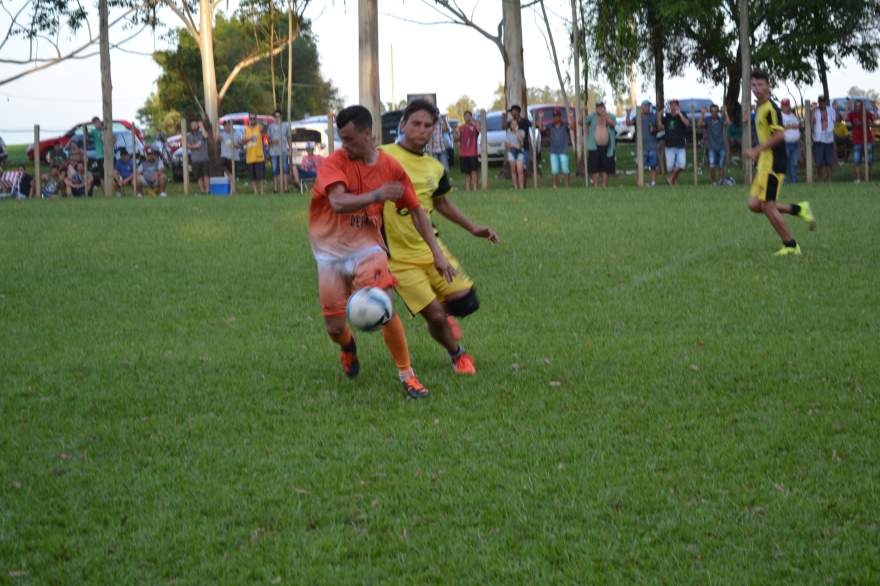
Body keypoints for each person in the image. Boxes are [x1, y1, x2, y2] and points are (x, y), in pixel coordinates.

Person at [309, 105, 454, 398]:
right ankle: (348, 346)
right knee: (335, 327)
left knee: (385, 305)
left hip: (368, 247)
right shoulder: (333, 163)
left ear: (368, 134)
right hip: (330, 254)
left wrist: (437, 253)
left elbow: (416, 211)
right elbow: (337, 202)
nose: (344, 146)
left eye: (349, 139)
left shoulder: (391, 168)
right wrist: (377, 195)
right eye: (341, 139)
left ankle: (407, 374)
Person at [380, 99, 499, 376]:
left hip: (430, 246)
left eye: (427, 126)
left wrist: (473, 228)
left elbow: (442, 204)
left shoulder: (435, 168)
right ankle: (457, 354)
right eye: (416, 124)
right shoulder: (382, 156)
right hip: (396, 257)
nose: (421, 130)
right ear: (403, 125)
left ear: (434, 130)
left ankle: (440, 318)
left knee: (467, 301)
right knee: (434, 314)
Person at [744, 70, 816, 256]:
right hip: (764, 164)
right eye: (754, 85)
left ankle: (791, 245)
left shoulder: (771, 109)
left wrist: (757, 150)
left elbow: (780, 135)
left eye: (761, 85)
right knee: (753, 204)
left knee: (767, 205)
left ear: (768, 86)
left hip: (774, 163)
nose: (757, 89)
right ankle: (799, 209)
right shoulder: (759, 108)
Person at [538, 108, 573, 188]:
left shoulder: (565, 125)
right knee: (554, 170)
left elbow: (571, 127)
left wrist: (571, 117)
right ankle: (554, 186)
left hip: (563, 150)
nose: (556, 118)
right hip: (553, 150)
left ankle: (567, 185)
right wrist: (541, 118)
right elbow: (541, 129)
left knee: (565, 169)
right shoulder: (550, 125)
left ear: (560, 117)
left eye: (557, 116)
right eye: (554, 116)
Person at [658, 99, 690, 185]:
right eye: (671, 105)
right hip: (669, 145)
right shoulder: (667, 116)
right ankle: (673, 180)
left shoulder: (683, 114)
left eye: (675, 105)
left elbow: (687, 124)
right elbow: (660, 126)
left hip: (680, 144)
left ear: (678, 106)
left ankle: (670, 178)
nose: (673, 107)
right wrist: (659, 115)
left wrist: (679, 114)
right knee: (670, 167)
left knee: (682, 165)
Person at [585, 102, 616, 188]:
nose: (599, 109)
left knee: (605, 167)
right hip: (594, 146)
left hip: (607, 146)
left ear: (604, 107)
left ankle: (604, 185)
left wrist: (605, 116)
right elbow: (582, 122)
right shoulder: (592, 116)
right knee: (595, 167)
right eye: (597, 107)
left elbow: (612, 125)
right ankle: (595, 186)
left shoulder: (610, 116)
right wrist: (582, 112)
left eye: (601, 107)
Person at [699, 104, 729, 184]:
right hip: (711, 147)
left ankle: (720, 181)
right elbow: (699, 125)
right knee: (712, 165)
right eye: (712, 111)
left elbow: (728, 123)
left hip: (721, 146)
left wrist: (725, 112)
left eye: (715, 111)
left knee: (721, 165)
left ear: (718, 112)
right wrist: (702, 114)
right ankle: (713, 182)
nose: (714, 113)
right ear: (710, 112)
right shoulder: (707, 120)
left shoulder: (721, 119)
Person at [846, 99, 875, 183]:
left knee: (869, 160)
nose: (858, 107)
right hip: (857, 141)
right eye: (856, 106)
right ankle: (858, 178)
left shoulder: (867, 114)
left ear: (862, 106)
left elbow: (875, 118)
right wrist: (847, 107)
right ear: (854, 106)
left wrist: (874, 107)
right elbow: (845, 119)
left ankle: (868, 177)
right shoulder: (852, 114)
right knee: (857, 160)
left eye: (859, 106)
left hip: (868, 140)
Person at [811, 95, 836, 182]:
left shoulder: (831, 110)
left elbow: (836, 120)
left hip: (829, 138)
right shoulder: (815, 111)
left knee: (829, 161)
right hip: (818, 138)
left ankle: (829, 179)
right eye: (820, 102)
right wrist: (813, 110)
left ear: (826, 102)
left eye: (823, 102)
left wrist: (836, 108)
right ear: (818, 102)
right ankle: (820, 178)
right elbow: (812, 122)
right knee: (819, 161)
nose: (822, 103)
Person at [455, 110, 480, 191]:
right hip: (464, 154)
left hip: (473, 153)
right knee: (467, 173)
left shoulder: (474, 126)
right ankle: (468, 189)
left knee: (474, 172)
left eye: (469, 116)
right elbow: (457, 139)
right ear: (463, 117)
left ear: (471, 116)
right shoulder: (461, 127)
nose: (467, 117)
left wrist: (474, 122)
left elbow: (480, 130)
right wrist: (456, 133)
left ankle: (475, 189)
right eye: (465, 116)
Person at [638, 101, 661, 186]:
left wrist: (654, 129)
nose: (646, 108)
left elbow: (660, 128)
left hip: (652, 144)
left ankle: (653, 182)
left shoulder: (653, 117)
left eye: (648, 106)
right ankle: (640, 182)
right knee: (640, 165)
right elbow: (628, 123)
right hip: (641, 146)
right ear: (642, 107)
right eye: (645, 106)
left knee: (653, 165)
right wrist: (628, 114)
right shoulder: (638, 117)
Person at [508, 105, 533, 180]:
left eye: (514, 112)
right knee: (515, 169)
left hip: (524, 148)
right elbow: (503, 127)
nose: (512, 114)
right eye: (512, 113)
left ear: (518, 112)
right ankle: (517, 186)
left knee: (523, 168)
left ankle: (523, 186)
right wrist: (504, 117)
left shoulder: (524, 121)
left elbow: (533, 125)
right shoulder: (511, 122)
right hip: (513, 149)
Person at [268, 109, 290, 193]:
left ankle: (286, 188)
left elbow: (289, 138)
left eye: (278, 116)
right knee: (275, 170)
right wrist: (273, 141)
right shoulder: (270, 127)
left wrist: (290, 149)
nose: (277, 118)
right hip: (274, 151)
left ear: (281, 117)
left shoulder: (285, 126)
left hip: (284, 150)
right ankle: (276, 188)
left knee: (285, 169)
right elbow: (268, 140)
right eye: (275, 116)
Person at [780, 98, 801, 184]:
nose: (786, 107)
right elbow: (781, 127)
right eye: (784, 105)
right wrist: (791, 126)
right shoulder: (780, 115)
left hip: (795, 143)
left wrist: (789, 126)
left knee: (794, 163)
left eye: (787, 105)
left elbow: (798, 125)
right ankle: (784, 181)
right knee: (784, 163)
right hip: (785, 143)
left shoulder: (793, 115)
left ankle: (794, 181)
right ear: (781, 106)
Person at [244, 113, 266, 195]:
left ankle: (262, 191)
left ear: (256, 120)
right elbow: (243, 141)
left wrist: (263, 124)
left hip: (259, 155)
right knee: (252, 176)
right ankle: (255, 191)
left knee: (261, 176)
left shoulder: (259, 127)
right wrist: (249, 139)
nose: (252, 120)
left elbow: (263, 130)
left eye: (254, 118)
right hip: (249, 156)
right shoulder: (245, 129)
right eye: (251, 118)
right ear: (248, 119)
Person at [187, 119, 209, 194]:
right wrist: (194, 146)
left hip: (204, 158)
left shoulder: (201, 133)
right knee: (198, 176)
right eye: (192, 125)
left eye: (195, 125)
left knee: (206, 175)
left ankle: (207, 191)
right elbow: (185, 145)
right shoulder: (188, 135)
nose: (194, 126)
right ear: (190, 126)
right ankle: (202, 191)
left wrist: (202, 126)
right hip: (195, 159)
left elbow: (206, 136)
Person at [505, 117, 526, 189]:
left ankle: (521, 187)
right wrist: (515, 146)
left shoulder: (522, 131)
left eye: (515, 124)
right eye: (512, 124)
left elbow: (521, 140)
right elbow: (508, 144)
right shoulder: (508, 133)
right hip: (512, 152)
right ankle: (515, 187)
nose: (513, 125)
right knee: (513, 170)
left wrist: (517, 132)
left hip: (520, 152)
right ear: (510, 125)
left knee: (520, 170)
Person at [87, 116, 105, 195]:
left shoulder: (105, 129)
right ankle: (106, 192)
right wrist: (85, 129)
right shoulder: (94, 131)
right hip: (99, 156)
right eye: (95, 123)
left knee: (109, 173)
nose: (97, 124)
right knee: (102, 175)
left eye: (97, 122)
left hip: (108, 155)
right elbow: (87, 135)